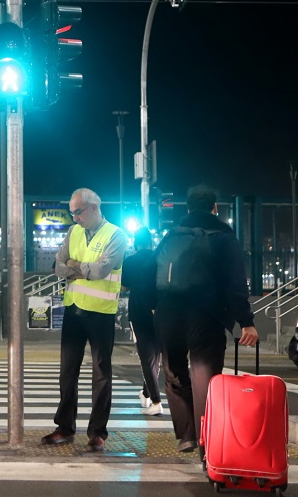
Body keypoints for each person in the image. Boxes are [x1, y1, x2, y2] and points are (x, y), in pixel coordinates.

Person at [153, 185, 259, 454]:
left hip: (169, 315)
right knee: (207, 381)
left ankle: (187, 435)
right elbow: (235, 283)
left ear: (188, 208)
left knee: (174, 373)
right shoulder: (223, 237)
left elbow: (151, 271)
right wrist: (245, 321)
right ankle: (208, 445)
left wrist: (155, 307)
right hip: (207, 317)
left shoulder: (170, 235)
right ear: (215, 208)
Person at [43, 188, 127, 452]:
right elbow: (58, 266)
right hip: (74, 308)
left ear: (93, 208)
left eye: (77, 212)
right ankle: (65, 427)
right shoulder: (73, 232)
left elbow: (102, 270)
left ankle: (97, 432)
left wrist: (75, 265)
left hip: (101, 311)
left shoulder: (116, 234)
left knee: (101, 372)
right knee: (67, 371)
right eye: (71, 213)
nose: (74, 218)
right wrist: (82, 269)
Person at [121, 227, 163, 416]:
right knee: (156, 357)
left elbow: (124, 287)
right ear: (151, 242)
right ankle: (147, 392)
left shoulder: (130, 261)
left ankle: (156, 400)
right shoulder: (159, 258)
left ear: (135, 243)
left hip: (138, 312)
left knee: (147, 358)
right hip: (160, 312)